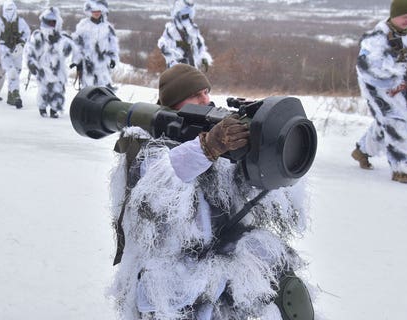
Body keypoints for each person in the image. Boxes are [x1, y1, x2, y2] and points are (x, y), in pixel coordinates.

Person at [108, 64, 314, 319]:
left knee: (287, 291)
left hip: (221, 273)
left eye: (206, 91)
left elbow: (257, 195)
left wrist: (262, 143)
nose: (205, 99)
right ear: (173, 103)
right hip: (173, 285)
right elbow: (156, 190)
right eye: (195, 95)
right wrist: (206, 149)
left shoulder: (219, 138)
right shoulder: (148, 147)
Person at [351, 0, 407, 183]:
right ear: (393, 15)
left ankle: (362, 151)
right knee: (395, 125)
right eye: (403, 17)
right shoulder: (376, 38)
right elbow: (366, 68)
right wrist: (392, 79)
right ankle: (403, 167)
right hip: (381, 93)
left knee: (386, 125)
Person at [25, 7, 74, 118]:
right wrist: (31, 63)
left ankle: (54, 109)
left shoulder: (61, 38)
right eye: (48, 22)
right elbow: (30, 50)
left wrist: (68, 46)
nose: (50, 25)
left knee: (58, 90)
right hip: (43, 67)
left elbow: (67, 52)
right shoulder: (38, 36)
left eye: (53, 22)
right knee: (44, 89)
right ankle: (42, 107)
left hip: (58, 68)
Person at [0, 0, 30, 108]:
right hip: (4, 50)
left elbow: (27, 33)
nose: (9, 12)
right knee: (12, 72)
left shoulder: (20, 21)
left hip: (17, 50)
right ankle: (16, 95)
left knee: (17, 71)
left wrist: (21, 43)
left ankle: (11, 95)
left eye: (11, 9)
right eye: (7, 9)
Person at [71, 0, 119, 90]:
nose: (96, 13)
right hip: (88, 64)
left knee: (103, 89)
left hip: (103, 64)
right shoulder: (83, 26)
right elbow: (77, 45)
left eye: (98, 11)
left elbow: (113, 44)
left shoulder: (107, 27)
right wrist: (77, 62)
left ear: (102, 11)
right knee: (88, 89)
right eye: (94, 11)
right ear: (89, 11)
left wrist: (113, 59)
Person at [157, 0, 212, 71]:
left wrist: (203, 60)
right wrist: (173, 53)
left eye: (188, 17)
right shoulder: (171, 31)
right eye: (184, 17)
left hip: (192, 69)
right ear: (178, 17)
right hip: (176, 69)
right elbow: (163, 44)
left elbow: (200, 47)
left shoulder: (193, 32)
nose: (186, 20)